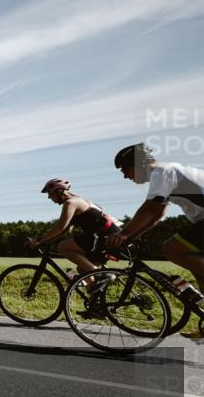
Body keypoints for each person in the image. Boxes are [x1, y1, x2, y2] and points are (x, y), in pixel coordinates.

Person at [107, 143, 204, 338]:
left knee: (171, 249)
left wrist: (124, 234)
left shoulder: (162, 171)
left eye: (125, 170)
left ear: (138, 164)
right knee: (198, 269)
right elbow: (158, 214)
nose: (126, 176)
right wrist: (131, 236)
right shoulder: (169, 172)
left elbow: (150, 208)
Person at [28, 178, 122, 276]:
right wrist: (45, 241)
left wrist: (40, 241)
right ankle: (98, 287)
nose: (49, 197)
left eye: (50, 194)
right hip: (108, 236)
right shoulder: (78, 200)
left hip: (106, 236)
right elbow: (66, 230)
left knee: (62, 247)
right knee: (82, 270)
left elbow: (60, 227)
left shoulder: (71, 203)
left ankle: (99, 274)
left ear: (58, 191)